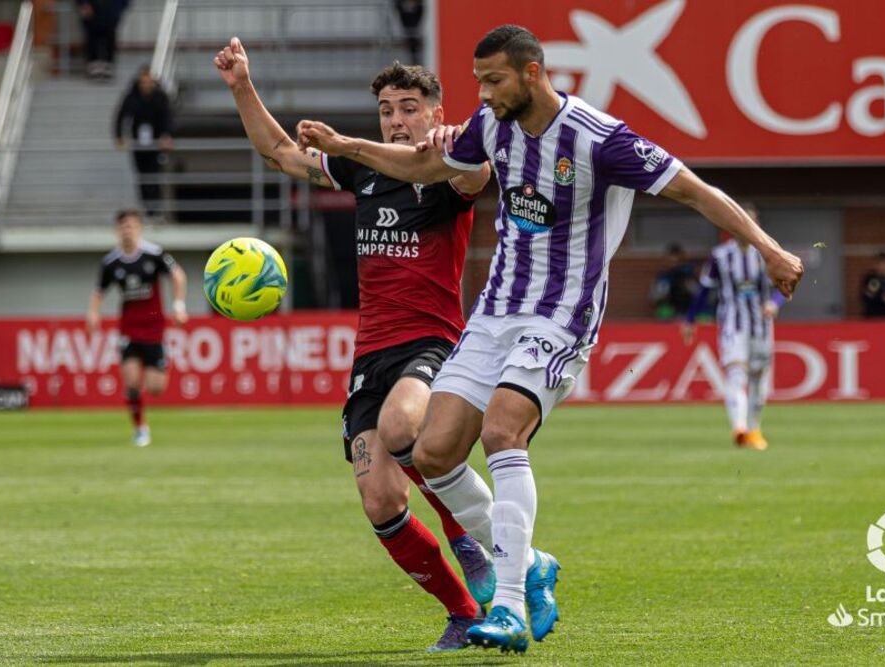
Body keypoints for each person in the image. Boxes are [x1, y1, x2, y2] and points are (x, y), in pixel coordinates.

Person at [296, 24, 803, 653]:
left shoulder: (601, 139)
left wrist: (770, 249)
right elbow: (425, 163)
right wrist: (347, 143)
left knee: (502, 429)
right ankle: (531, 562)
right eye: (479, 80)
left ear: (533, 73)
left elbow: (695, 190)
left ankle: (506, 605)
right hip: (496, 310)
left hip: (561, 313)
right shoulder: (492, 124)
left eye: (494, 80)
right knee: (430, 452)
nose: (482, 92)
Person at [214, 38, 495, 652]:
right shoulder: (364, 169)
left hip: (435, 340)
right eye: (389, 110)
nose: (398, 120)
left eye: (410, 107)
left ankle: (470, 538)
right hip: (372, 353)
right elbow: (282, 154)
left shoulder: (449, 164)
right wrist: (241, 85)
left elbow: (479, 174)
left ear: (435, 112)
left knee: (403, 427)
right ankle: (466, 612)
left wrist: (456, 150)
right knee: (379, 501)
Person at [681, 205, 785, 450]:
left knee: (759, 379)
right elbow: (704, 290)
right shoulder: (720, 256)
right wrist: (690, 319)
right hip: (732, 324)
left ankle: (754, 428)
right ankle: (739, 428)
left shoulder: (767, 253)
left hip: (761, 325)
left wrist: (774, 303)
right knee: (736, 374)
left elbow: (783, 285)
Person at [86, 209, 187, 447]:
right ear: (117, 230)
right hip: (128, 329)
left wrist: (179, 305)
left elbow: (178, 275)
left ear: (139, 228)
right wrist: (93, 314)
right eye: (123, 226)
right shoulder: (111, 262)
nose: (127, 230)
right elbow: (98, 292)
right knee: (131, 381)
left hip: (154, 327)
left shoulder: (154, 254)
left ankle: (162, 363)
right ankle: (140, 428)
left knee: (155, 388)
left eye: (131, 226)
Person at [115, 66, 174, 217]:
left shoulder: (161, 97)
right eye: (143, 82)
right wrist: (119, 136)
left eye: (149, 82)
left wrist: (167, 135)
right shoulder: (132, 96)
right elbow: (121, 115)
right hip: (138, 142)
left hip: (156, 142)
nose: (146, 85)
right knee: (141, 176)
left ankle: (156, 209)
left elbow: (168, 117)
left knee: (154, 174)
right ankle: (147, 209)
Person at [76, 0, 129, 80]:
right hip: (91, 13)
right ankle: (93, 66)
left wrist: (118, 10)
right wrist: (83, 4)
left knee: (110, 38)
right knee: (92, 39)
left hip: (111, 13)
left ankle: (108, 66)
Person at [649, 242, 699, 320]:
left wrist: (686, 283)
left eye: (677, 260)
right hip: (670, 310)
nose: (674, 263)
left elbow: (699, 294)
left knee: (704, 316)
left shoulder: (689, 274)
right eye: (671, 260)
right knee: (664, 313)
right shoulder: (664, 276)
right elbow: (654, 299)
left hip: (689, 309)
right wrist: (665, 288)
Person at [393, 0, 424, 64]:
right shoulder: (403, 11)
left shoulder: (419, 10)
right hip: (408, 32)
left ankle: (414, 62)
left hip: (414, 34)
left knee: (414, 50)